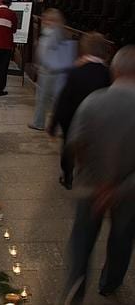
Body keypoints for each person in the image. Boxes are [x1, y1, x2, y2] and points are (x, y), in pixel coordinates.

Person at [60, 45, 135, 304]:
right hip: (128, 191)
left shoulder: (94, 101)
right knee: (122, 236)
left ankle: (76, 287)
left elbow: (75, 143)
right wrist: (115, 190)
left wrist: (93, 176)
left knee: (82, 235)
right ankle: (110, 282)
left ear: (114, 71)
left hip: (91, 184)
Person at [47, 32, 111, 190]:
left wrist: (53, 124)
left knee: (68, 146)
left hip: (73, 118)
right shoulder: (107, 74)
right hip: (97, 119)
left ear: (84, 49)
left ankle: (68, 175)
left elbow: (63, 100)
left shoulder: (76, 72)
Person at [28, 9, 68, 131]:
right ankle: (58, 125)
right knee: (52, 99)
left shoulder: (52, 33)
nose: (44, 20)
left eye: (47, 18)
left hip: (49, 71)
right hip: (52, 70)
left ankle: (40, 122)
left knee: (45, 99)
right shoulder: (55, 32)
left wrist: (41, 64)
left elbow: (46, 52)